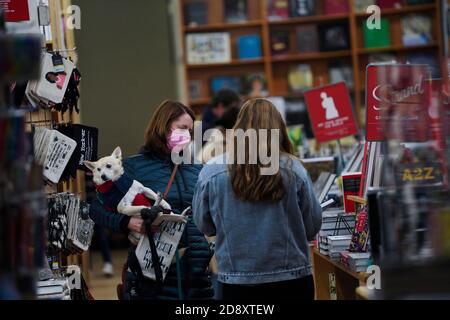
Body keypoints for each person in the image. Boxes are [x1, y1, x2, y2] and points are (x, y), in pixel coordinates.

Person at [192, 98, 322, 300]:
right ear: (278, 128)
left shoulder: (212, 171)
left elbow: (204, 225)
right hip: (292, 278)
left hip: (236, 281)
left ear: (238, 127)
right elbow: (312, 226)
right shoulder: (294, 169)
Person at [89, 100, 214, 300]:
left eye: (190, 130)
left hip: (198, 276)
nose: (187, 136)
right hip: (154, 276)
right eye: (182, 128)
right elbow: (96, 209)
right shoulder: (133, 167)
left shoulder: (197, 168)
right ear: (163, 126)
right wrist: (127, 222)